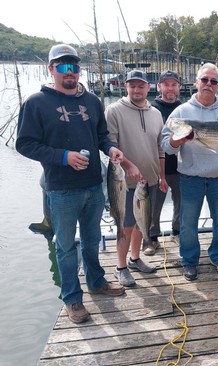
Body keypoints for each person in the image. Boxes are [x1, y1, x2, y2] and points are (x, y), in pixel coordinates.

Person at [16, 44, 125, 324]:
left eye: (74, 67)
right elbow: (25, 144)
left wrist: (110, 149)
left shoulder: (90, 101)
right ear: (51, 69)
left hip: (94, 185)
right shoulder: (36, 103)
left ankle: (97, 282)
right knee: (65, 247)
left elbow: (102, 135)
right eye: (63, 67)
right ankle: (72, 299)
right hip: (61, 189)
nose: (70, 73)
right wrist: (63, 157)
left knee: (91, 240)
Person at [161, 63, 218, 281]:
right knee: (188, 222)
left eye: (214, 81)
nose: (209, 84)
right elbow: (166, 146)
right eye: (205, 80)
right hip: (190, 178)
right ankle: (189, 260)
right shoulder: (181, 112)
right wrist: (177, 139)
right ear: (196, 82)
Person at [106, 70, 164, 287]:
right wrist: (127, 165)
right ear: (126, 87)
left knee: (142, 223)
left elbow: (160, 149)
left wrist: (162, 176)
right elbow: (109, 146)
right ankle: (120, 267)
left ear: (148, 88)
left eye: (141, 86)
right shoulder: (113, 111)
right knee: (126, 225)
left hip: (150, 181)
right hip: (123, 183)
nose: (137, 90)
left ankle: (135, 259)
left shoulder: (156, 113)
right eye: (132, 86)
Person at [149, 70, 183, 252]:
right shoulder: (151, 109)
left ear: (178, 87)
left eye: (174, 84)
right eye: (166, 84)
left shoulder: (184, 109)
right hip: (157, 167)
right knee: (154, 204)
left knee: (181, 203)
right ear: (159, 86)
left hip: (180, 166)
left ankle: (176, 232)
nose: (170, 88)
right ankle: (152, 237)